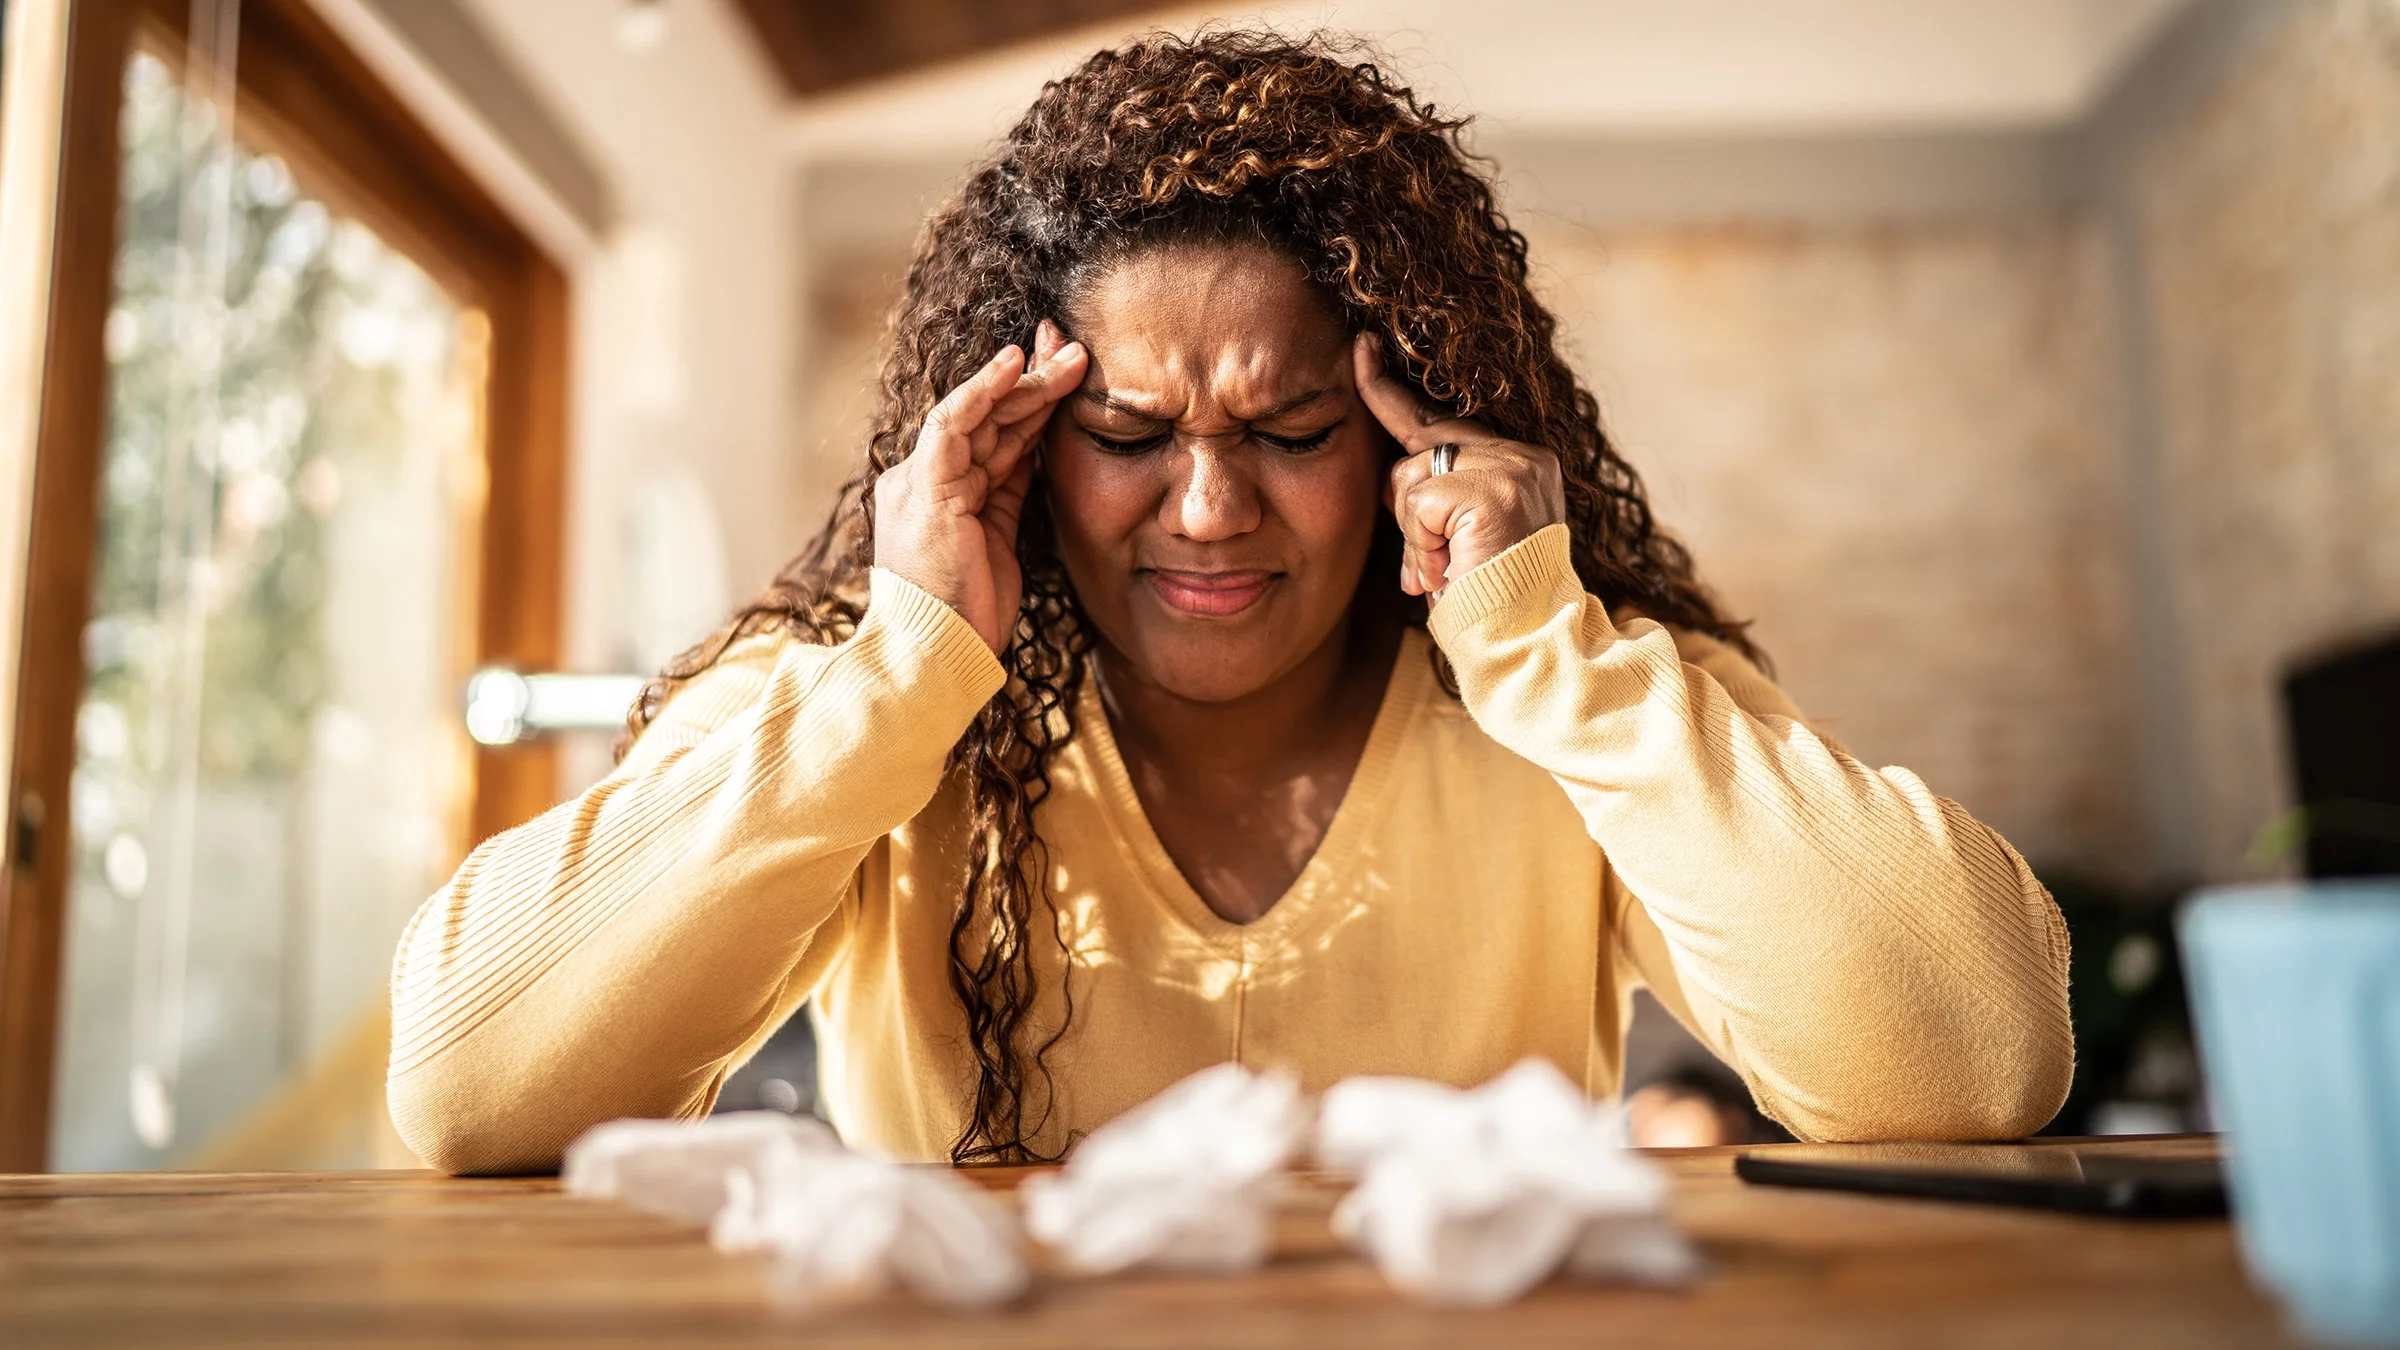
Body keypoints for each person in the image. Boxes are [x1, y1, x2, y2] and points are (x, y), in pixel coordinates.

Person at [387, 31, 2073, 1174]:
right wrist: (900, 674)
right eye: (1126, 434)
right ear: (1025, 444)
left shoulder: (1569, 681)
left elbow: (1980, 1061)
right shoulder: (864, 703)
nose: (1207, 508)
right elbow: (466, 1085)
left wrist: (1548, 650)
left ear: (1417, 426)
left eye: (1292, 430)